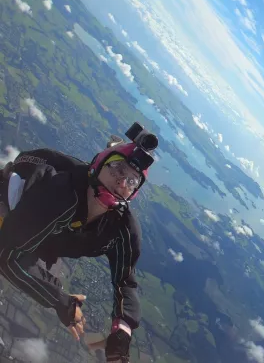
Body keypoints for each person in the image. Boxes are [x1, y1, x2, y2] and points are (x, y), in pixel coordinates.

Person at [0, 124, 156, 363]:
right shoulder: (59, 194)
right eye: (117, 169)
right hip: (13, 216)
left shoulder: (122, 228)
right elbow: (8, 258)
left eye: (132, 181)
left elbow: (125, 282)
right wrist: (60, 301)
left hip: (43, 240)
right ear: (99, 164)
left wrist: (122, 332)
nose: (122, 182)